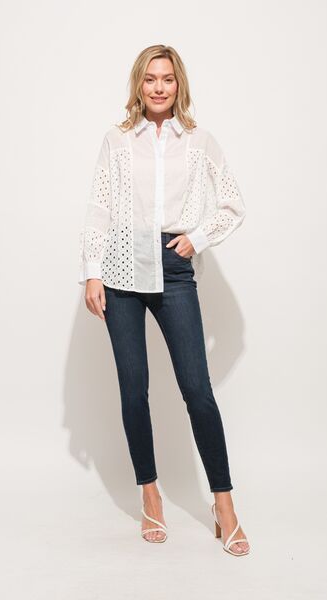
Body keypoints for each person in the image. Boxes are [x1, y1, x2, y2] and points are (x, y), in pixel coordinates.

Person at [78, 44, 249, 557]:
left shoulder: (199, 141)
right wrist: (92, 273)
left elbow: (233, 203)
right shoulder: (116, 140)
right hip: (120, 266)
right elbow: (99, 207)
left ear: (179, 85)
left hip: (173, 268)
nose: (158, 87)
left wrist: (197, 237)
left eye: (167, 79)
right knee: (134, 390)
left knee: (197, 389)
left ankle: (224, 505)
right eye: (150, 78)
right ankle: (149, 492)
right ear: (139, 84)